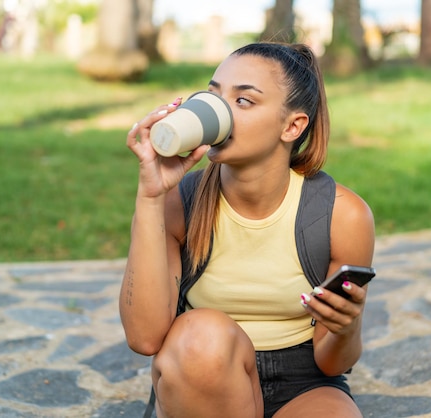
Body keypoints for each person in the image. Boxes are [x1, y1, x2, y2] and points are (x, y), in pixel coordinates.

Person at [120, 42, 375, 418]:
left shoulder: (341, 214)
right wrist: (150, 196)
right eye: (213, 95)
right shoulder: (179, 202)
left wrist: (345, 328)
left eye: (244, 101)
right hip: (203, 374)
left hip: (304, 381)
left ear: (292, 126)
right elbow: (144, 338)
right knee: (201, 337)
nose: (219, 109)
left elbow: (333, 363)